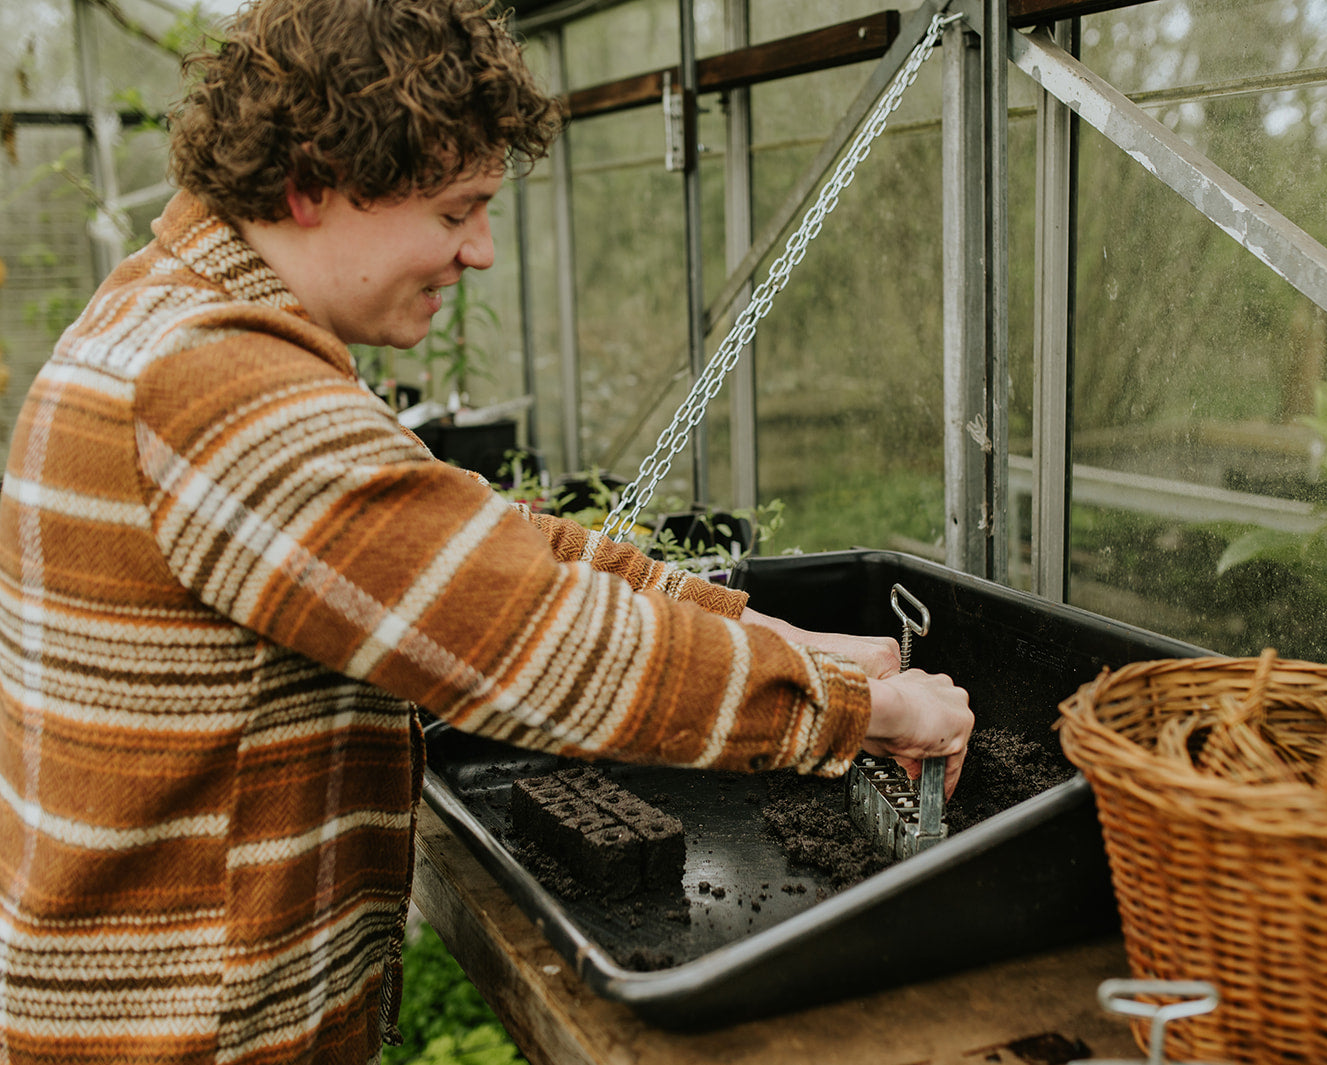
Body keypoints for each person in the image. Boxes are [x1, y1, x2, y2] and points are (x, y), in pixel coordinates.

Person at [0, 0, 973, 1062]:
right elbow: (537, 643)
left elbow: (490, 545)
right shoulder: (217, 387)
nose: (484, 254)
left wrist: (793, 642)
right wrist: (860, 712)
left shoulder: (193, 327)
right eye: (458, 211)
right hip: (186, 1033)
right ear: (312, 184)